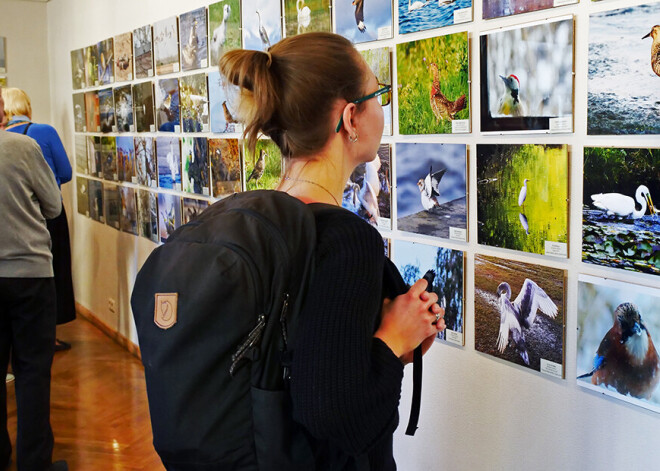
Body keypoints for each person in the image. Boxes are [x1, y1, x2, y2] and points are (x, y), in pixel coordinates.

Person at [219, 32, 445, 470]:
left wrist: (386, 343)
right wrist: (396, 337)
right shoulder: (346, 241)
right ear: (351, 118)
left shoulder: (259, 220)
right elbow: (342, 420)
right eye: (379, 92)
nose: (384, 105)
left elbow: (301, 363)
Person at [0, 92, 68, 471]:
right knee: (32, 373)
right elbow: (54, 206)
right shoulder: (23, 147)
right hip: (29, 275)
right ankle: (34, 463)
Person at [2, 88, 76, 352]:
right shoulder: (42, 132)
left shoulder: (6, 138)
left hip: (11, 225)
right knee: (53, 273)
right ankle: (49, 335)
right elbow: (65, 172)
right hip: (45, 216)